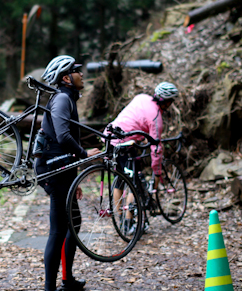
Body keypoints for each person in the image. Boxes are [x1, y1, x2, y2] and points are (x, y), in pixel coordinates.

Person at [35, 55, 101, 291]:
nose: (81, 74)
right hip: (52, 168)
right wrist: (85, 154)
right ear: (66, 77)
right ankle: (50, 288)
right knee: (59, 230)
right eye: (76, 71)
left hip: (61, 167)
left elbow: (61, 143)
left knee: (73, 224)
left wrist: (74, 176)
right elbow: (63, 137)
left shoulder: (67, 98)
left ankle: (67, 280)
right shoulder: (62, 98)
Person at [107, 82, 179, 233]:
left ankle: (120, 220)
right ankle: (127, 223)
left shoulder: (142, 97)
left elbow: (134, 118)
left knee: (119, 180)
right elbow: (156, 149)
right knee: (136, 181)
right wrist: (157, 172)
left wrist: (141, 136)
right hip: (124, 144)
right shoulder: (156, 118)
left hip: (110, 138)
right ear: (167, 102)